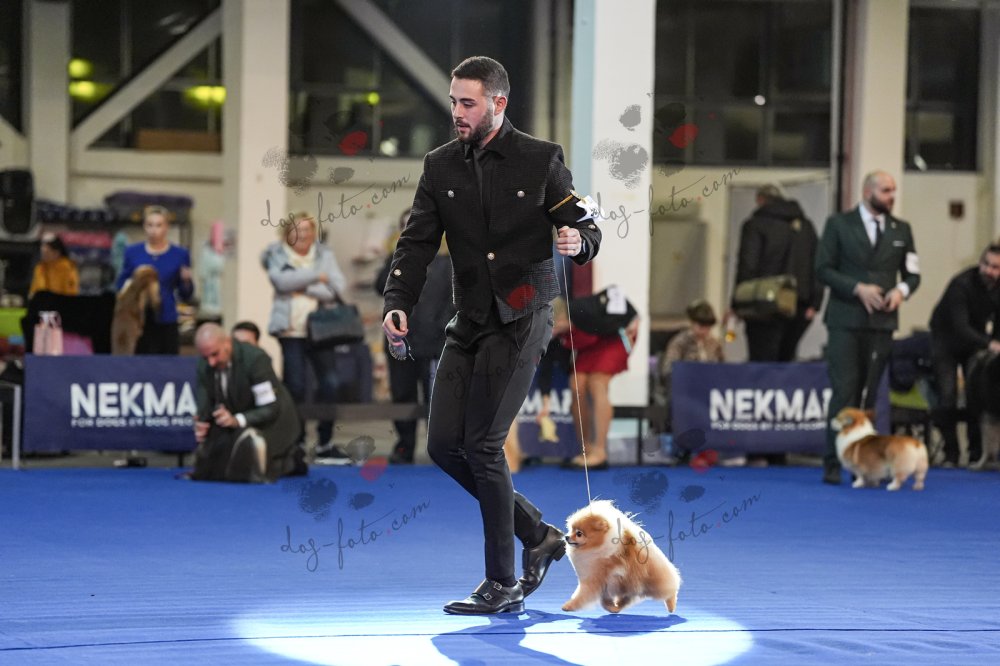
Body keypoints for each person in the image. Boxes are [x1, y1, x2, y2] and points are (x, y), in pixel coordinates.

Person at [381, 56, 601, 615]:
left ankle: (502, 583)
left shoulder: (541, 158)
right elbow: (417, 242)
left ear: (498, 104)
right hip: (469, 320)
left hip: (523, 317)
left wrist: (580, 241)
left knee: (482, 445)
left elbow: (583, 220)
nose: (457, 112)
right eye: (453, 101)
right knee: (442, 446)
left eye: (468, 103)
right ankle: (539, 535)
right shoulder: (439, 165)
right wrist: (397, 301)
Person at [816, 171, 920, 485]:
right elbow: (822, 269)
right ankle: (833, 463)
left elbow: (913, 274)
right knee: (845, 390)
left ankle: (867, 466)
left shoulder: (902, 229)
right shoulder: (838, 224)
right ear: (867, 191)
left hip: (882, 323)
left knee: (870, 393)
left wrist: (901, 291)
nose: (892, 196)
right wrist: (857, 288)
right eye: (886, 190)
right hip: (845, 321)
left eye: (893, 190)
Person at [262, 212, 350, 464]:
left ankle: (325, 443)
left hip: (322, 331)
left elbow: (336, 287)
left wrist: (301, 284)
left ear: (313, 232)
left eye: (306, 230)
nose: (302, 235)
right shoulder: (276, 254)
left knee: (330, 384)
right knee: (296, 387)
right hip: (291, 332)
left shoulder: (325, 255)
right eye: (296, 230)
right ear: (287, 234)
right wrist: (316, 276)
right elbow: (280, 282)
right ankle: (296, 442)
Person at [374, 209, 456, 465]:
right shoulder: (396, 258)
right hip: (399, 340)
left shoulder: (449, 259)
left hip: (435, 341)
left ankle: (439, 448)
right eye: (405, 226)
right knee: (402, 394)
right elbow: (380, 286)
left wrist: (441, 327)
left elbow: (455, 299)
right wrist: (395, 255)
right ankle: (404, 445)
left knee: (435, 397)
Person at [191, 323, 306, 482]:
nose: (211, 362)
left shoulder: (256, 359)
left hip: (274, 425)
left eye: (215, 354)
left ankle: (291, 458)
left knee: (253, 467)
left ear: (227, 342)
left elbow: (270, 408)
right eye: (205, 357)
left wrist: (236, 420)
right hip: (238, 423)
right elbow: (204, 402)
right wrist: (201, 423)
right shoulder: (204, 364)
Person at [929, 245, 1000, 467]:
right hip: (946, 340)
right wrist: (990, 343)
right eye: (986, 264)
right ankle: (951, 454)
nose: (989, 270)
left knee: (976, 397)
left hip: (974, 341)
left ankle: (975, 454)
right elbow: (960, 327)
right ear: (980, 263)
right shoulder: (961, 284)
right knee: (947, 395)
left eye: (995, 267)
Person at [733, 185, 823, 361]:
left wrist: (738, 303)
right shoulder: (806, 227)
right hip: (799, 305)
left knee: (762, 364)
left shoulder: (755, 225)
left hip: (763, 304)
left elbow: (747, 265)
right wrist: (815, 302)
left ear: (760, 200)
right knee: (786, 362)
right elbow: (818, 265)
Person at [562, 299, 639, 471]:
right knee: (576, 385)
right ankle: (586, 449)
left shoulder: (585, 311)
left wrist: (633, 322)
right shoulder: (559, 331)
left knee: (597, 383)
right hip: (591, 344)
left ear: (565, 318)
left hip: (615, 337)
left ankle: (600, 451)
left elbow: (627, 310)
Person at [115, 205, 194, 354]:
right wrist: (134, 284)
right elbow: (121, 284)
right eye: (149, 225)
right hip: (139, 320)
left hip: (166, 318)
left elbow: (186, 294)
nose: (154, 230)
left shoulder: (180, 254)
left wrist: (186, 281)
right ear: (144, 227)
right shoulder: (132, 252)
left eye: (158, 225)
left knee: (167, 361)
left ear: (166, 227)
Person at [659, 299, 725, 434]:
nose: (704, 331)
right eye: (700, 326)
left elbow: (723, 367)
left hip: (709, 388)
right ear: (692, 324)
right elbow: (668, 368)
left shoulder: (714, 344)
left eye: (707, 327)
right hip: (686, 388)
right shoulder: (680, 342)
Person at [29, 233, 80, 298]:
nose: (43, 256)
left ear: (56, 253)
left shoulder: (66, 267)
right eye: (42, 253)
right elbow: (34, 289)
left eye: (47, 253)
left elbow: (70, 291)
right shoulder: (40, 267)